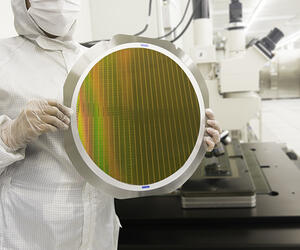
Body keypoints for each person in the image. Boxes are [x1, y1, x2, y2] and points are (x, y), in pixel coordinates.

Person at [0, 0, 221, 249]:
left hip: (97, 234)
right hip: (27, 234)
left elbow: (132, 141)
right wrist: (10, 135)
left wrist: (187, 138)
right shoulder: (3, 60)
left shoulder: (98, 62)